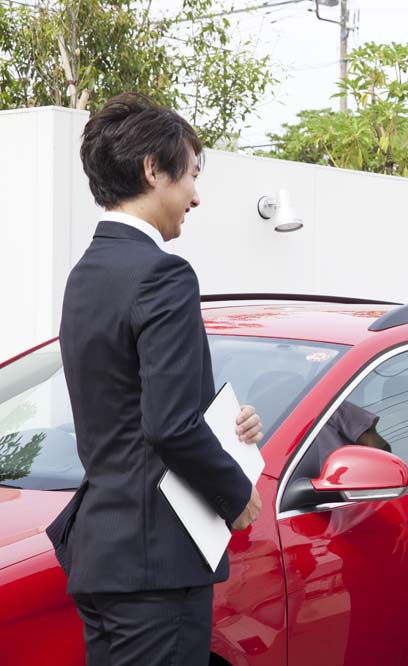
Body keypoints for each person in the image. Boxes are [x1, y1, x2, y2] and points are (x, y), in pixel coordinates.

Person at [45, 93, 264, 666]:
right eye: (190, 175)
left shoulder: (86, 274)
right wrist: (235, 493)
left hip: (104, 554)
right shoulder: (163, 273)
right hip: (156, 566)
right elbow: (167, 425)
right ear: (152, 171)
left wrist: (221, 426)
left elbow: (126, 408)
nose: (196, 196)